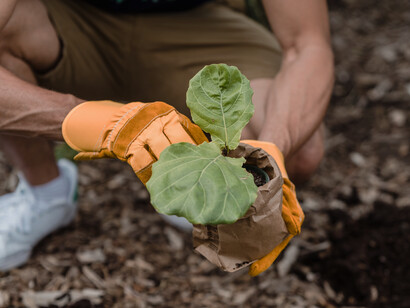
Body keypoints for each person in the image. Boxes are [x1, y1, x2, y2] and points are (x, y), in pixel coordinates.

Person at [0, 0, 334, 271]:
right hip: (68, 21)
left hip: (196, 26)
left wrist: (273, 147)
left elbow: (307, 45)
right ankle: (46, 195)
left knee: (297, 152)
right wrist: (106, 125)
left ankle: (180, 179)